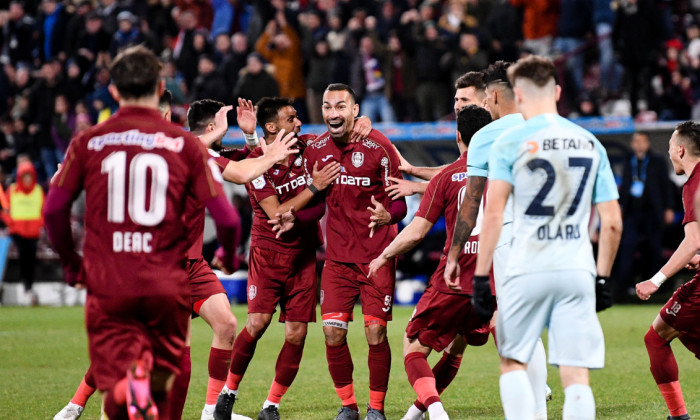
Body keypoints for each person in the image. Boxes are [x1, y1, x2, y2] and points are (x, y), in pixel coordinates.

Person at [42, 45, 241, 420]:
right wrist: (229, 258)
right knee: (171, 362)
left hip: (112, 279)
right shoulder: (184, 145)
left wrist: (72, 264)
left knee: (121, 372)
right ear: (160, 85)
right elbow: (229, 221)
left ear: (114, 91)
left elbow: (53, 210)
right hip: (163, 277)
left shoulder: (88, 142)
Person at [472, 55, 621, 420]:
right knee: (575, 374)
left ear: (517, 96)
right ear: (556, 91)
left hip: (526, 266)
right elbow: (612, 222)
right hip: (576, 268)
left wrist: (479, 275)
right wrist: (602, 277)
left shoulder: (508, 142)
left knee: (513, 360)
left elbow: (493, 214)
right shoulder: (589, 142)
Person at [213, 97, 340, 420]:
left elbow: (341, 135)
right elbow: (275, 213)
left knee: (297, 333)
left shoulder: (308, 147)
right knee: (257, 323)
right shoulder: (257, 163)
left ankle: (271, 405)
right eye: (291, 118)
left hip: (304, 255)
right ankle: (228, 393)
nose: (299, 123)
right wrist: (314, 187)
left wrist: (362, 125)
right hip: (268, 256)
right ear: (272, 127)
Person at [368, 105, 493, 420]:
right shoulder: (504, 173)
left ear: (458, 135)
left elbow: (416, 232)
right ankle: (415, 414)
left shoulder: (447, 177)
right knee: (459, 348)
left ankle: (436, 412)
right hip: (493, 282)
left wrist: (384, 255)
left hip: (453, 280)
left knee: (413, 349)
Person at [444, 61, 551, 420]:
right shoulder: (546, 124)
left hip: (511, 236)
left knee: (514, 328)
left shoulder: (486, 136)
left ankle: (531, 412)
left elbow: (472, 202)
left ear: (491, 95)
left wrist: (455, 253)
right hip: (551, 235)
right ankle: (538, 407)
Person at [302, 83, 407, 420]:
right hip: (338, 260)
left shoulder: (380, 147)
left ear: (355, 110)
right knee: (332, 333)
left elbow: (401, 202)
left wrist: (388, 215)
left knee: (375, 332)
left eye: (340, 106)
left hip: (377, 257)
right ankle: (348, 406)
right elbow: (313, 203)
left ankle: (376, 408)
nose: (333, 113)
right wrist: (296, 210)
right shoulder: (316, 150)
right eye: (327, 106)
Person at [636, 121, 700, 420]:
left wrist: (656, 279)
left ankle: (679, 416)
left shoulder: (694, 184)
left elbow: (692, 241)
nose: (669, 153)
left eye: (670, 147)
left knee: (656, 337)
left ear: (681, 150)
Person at [616, 131, 675, 299]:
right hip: (632, 213)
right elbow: (625, 186)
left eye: (642, 141)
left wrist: (669, 207)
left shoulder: (657, 161)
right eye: (636, 141)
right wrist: (620, 206)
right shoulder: (628, 161)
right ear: (632, 144)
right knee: (627, 247)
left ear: (648, 143)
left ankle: (656, 286)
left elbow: (666, 186)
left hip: (653, 212)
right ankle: (624, 288)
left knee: (654, 249)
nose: (639, 145)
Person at [3, 157, 44, 304]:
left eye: (29, 176)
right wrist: (12, 224)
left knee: (31, 260)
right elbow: (5, 210)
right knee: (22, 259)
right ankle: (25, 286)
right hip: (18, 232)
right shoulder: (12, 190)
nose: (27, 179)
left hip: (33, 232)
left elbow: (44, 210)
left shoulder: (38, 190)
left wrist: (40, 223)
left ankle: (29, 287)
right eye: (24, 176)